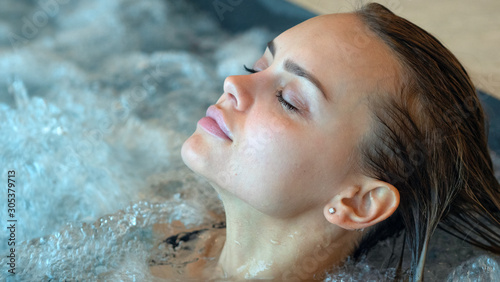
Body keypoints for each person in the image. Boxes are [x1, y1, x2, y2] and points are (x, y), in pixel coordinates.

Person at [178, 2, 500, 281]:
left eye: (288, 100)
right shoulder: (180, 234)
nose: (234, 83)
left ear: (359, 202)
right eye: (259, 66)